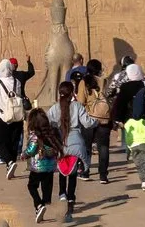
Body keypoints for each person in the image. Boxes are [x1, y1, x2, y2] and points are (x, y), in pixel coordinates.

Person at [46, 83, 93, 218]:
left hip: (61, 144)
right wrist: (96, 121)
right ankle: (71, 200)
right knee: (72, 173)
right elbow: (87, 123)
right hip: (76, 143)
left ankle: (62, 193)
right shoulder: (77, 106)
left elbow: (47, 123)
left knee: (62, 169)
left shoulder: (55, 108)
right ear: (72, 93)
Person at [75, 58, 115, 183]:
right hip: (104, 119)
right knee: (103, 147)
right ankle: (103, 175)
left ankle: (85, 172)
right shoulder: (105, 81)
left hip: (89, 118)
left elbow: (81, 102)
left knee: (86, 147)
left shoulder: (83, 82)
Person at [23, 97, 63, 223]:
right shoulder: (52, 132)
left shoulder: (35, 135)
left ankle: (39, 205)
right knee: (47, 185)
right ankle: (45, 200)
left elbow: (31, 149)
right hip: (50, 166)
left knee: (32, 186)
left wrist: (24, 154)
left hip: (37, 166)